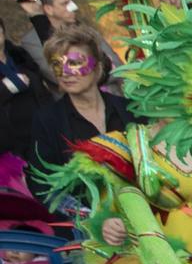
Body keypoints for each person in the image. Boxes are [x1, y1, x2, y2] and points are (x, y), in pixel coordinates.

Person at [28, 26, 130, 204]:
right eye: (57, 64)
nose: (65, 72)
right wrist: (91, 219)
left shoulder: (128, 110)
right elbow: (43, 186)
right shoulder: (47, 120)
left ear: (97, 67)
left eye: (74, 63)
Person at [0, 16, 52, 159]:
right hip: (14, 148)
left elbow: (43, 87)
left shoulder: (20, 55)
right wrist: (6, 88)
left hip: (46, 132)